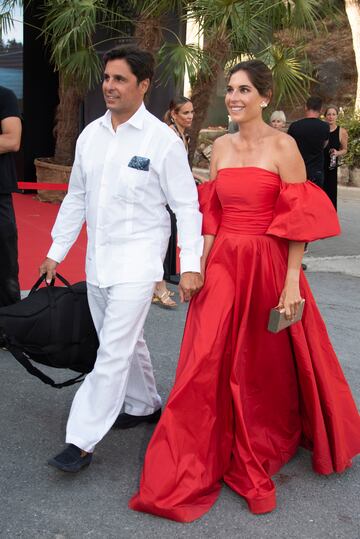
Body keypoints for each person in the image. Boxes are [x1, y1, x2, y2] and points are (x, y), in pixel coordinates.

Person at [129, 60, 360, 522]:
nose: (235, 97)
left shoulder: (284, 146)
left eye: (245, 90)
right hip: (224, 265)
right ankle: (201, 438)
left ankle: (262, 428)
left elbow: (298, 222)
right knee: (206, 357)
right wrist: (196, 268)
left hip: (268, 265)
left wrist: (293, 280)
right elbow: (211, 217)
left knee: (259, 361)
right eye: (231, 89)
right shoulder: (219, 147)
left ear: (265, 97)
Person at [39, 45, 204, 472]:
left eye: (120, 79)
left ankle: (80, 440)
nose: (109, 86)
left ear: (143, 85)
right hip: (98, 262)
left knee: (111, 350)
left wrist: (190, 265)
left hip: (139, 263)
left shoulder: (161, 140)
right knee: (128, 342)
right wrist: (56, 252)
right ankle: (146, 402)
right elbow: (76, 198)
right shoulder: (91, 135)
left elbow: (187, 206)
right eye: (107, 78)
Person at [153, 97, 207, 308]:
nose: (191, 116)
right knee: (163, 238)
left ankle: (160, 282)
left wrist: (195, 177)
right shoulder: (169, 136)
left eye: (192, 112)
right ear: (174, 114)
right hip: (165, 195)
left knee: (174, 235)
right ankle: (159, 283)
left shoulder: (184, 136)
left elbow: (181, 169)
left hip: (177, 191)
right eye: (185, 113)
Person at [0, 85, 22, 307]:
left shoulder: (4, 95)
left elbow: (12, 140)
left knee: (5, 264)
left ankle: (8, 327)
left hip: (0, 193)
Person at [287, 96, 329, 187]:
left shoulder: (295, 126)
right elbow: (325, 144)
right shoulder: (325, 126)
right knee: (315, 199)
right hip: (316, 170)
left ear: (306, 107)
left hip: (297, 170)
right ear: (321, 109)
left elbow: (288, 146)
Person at [323, 105, 348, 210]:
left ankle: (331, 219)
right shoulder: (321, 129)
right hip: (320, 165)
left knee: (331, 194)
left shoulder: (342, 131)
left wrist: (337, 153)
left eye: (333, 114)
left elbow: (345, 149)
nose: (331, 117)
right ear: (325, 116)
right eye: (329, 114)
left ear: (337, 116)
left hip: (332, 167)